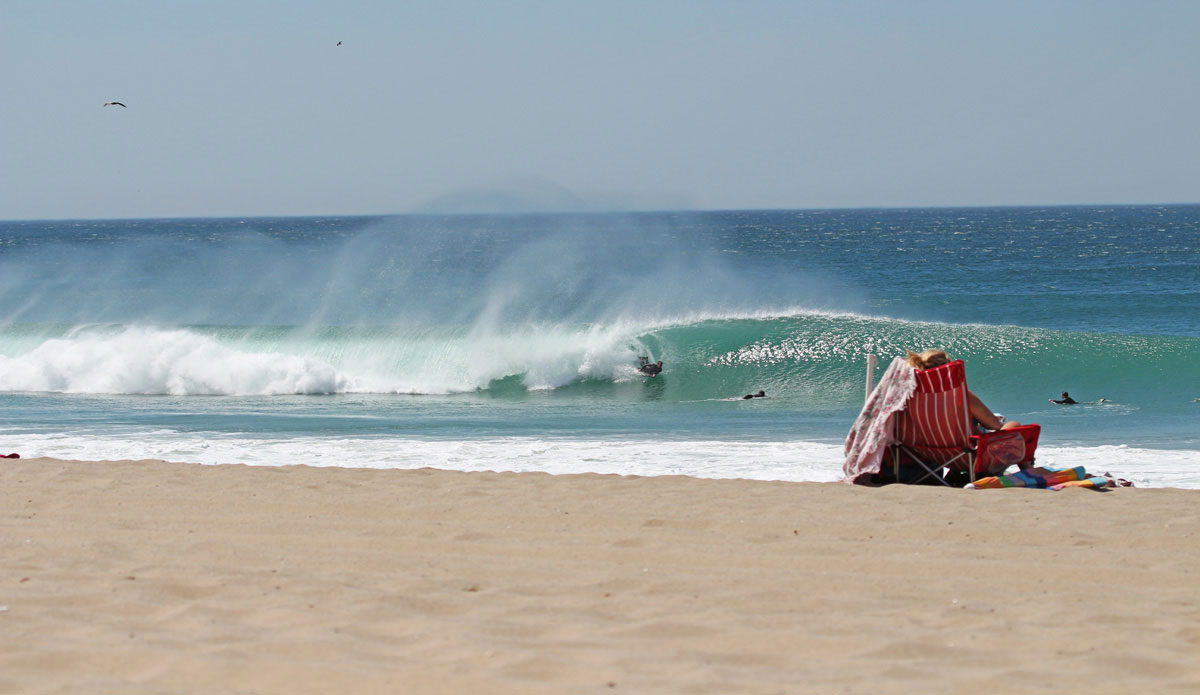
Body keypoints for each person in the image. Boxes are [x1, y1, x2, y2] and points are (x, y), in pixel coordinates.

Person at [906, 350, 1022, 431]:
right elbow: (995, 425)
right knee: (1014, 425)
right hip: (965, 454)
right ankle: (1028, 467)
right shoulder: (960, 395)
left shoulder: (909, 397)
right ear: (947, 370)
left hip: (926, 455)